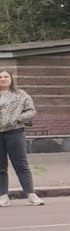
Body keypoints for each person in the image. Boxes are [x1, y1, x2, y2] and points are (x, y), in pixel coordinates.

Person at [0, 69, 42, 206]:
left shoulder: (20, 95)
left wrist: (18, 118)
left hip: (15, 133)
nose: (3, 79)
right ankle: (2, 195)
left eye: (6, 76)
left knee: (21, 164)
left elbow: (31, 111)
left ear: (11, 79)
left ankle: (31, 194)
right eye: (0, 77)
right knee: (1, 167)